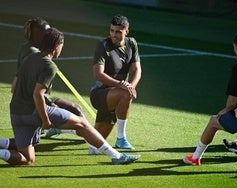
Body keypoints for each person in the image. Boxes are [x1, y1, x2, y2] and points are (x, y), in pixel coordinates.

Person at [0, 27, 140, 165]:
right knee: (82, 123)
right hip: (34, 111)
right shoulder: (49, 66)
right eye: (62, 46)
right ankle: (116, 156)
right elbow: (38, 94)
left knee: (28, 159)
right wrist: (45, 119)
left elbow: (17, 86)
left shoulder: (29, 58)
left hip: (16, 113)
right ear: (56, 46)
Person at [183, 31, 237, 175]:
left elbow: (232, 101)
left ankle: (195, 158)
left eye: (234, 47)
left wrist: (225, 111)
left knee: (213, 121)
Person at [88, 14, 142, 154]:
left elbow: (137, 70)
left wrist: (131, 86)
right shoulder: (102, 45)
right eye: (111, 30)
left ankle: (63, 127)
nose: (113, 34)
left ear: (126, 31)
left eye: (118, 31)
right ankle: (121, 139)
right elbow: (98, 74)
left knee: (94, 147)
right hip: (100, 95)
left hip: (115, 96)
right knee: (125, 94)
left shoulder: (132, 43)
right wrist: (122, 85)